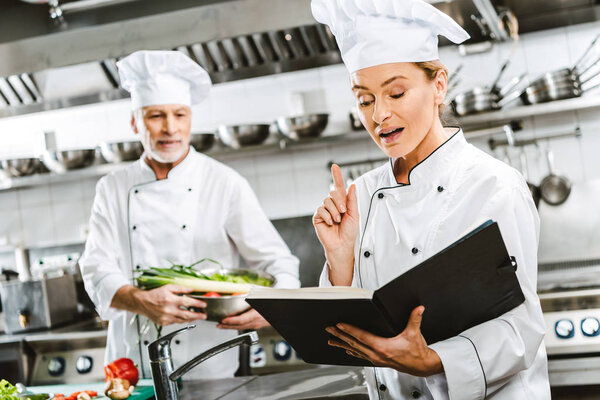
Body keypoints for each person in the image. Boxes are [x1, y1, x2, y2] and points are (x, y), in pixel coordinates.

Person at [311, 1, 550, 399]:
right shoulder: (361, 193)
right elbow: (350, 330)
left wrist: (435, 360)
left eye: (396, 92)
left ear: (439, 85)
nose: (379, 115)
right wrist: (339, 260)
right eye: (365, 99)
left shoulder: (493, 186)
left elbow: (521, 329)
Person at [79, 50, 300, 380]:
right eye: (156, 116)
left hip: (210, 360)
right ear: (134, 122)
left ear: (190, 119)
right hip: (132, 364)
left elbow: (278, 263)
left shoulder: (223, 182)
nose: (170, 128)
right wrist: (141, 300)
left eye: (179, 115)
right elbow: (96, 268)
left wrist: (273, 309)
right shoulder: (112, 187)